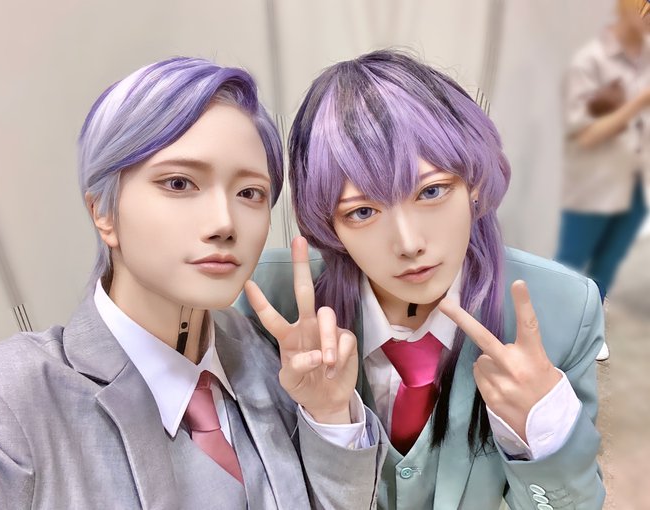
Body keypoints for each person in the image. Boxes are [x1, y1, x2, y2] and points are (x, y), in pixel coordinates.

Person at [0, 57, 385, 509]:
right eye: (179, 183)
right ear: (103, 212)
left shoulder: (270, 358)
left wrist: (329, 415)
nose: (224, 223)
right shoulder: (3, 401)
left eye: (249, 193)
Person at [237, 50, 605, 509]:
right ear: (329, 226)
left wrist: (543, 432)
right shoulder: (267, 306)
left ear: (473, 183)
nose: (409, 243)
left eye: (431, 191)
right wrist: (328, 420)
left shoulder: (563, 309)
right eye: (363, 212)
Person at [556, 0, 650, 360]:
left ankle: (588, 330)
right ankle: (556, 329)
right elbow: (586, 135)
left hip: (636, 180)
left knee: (608, 261)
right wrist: (636, 103)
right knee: (572, 260)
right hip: (595, 178)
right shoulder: (593, 61)